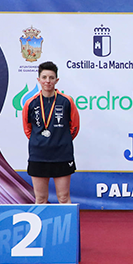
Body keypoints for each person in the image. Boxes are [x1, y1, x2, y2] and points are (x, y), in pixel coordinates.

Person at [22, 61, 80, 204]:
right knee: (40, 199)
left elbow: (75, 127)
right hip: (38, 156)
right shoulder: (30, 103)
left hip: (62, 155)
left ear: (56, 80)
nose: (48, 81)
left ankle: (67, 227)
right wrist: (40, 142)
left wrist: (62, 140)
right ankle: (41, 227)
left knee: (64, 198)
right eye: (44, 77)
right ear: (39, 80)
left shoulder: (67, 101)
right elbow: (28, 128)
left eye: (51, 77)